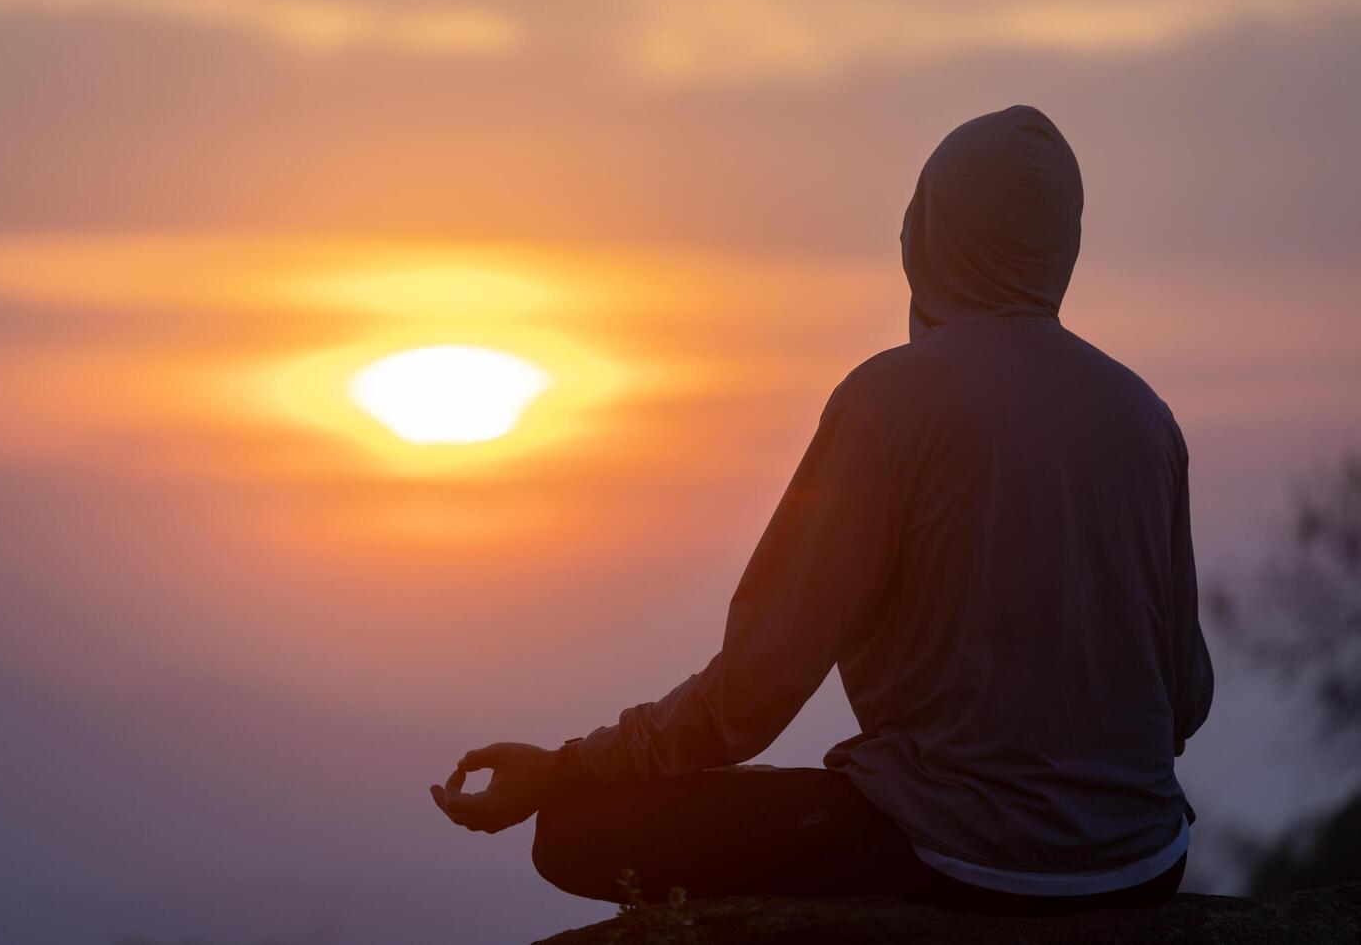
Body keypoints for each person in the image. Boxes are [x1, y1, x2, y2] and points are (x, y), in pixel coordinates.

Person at [429, 105, 1214, 914]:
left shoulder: (887, 404)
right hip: (1144, 861)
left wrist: (569, 767)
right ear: (1061, 244)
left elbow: (751, 696)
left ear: (930, 232)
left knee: (576, 833)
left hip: (951, 858)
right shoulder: (1144, 417)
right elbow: (1185, 697)